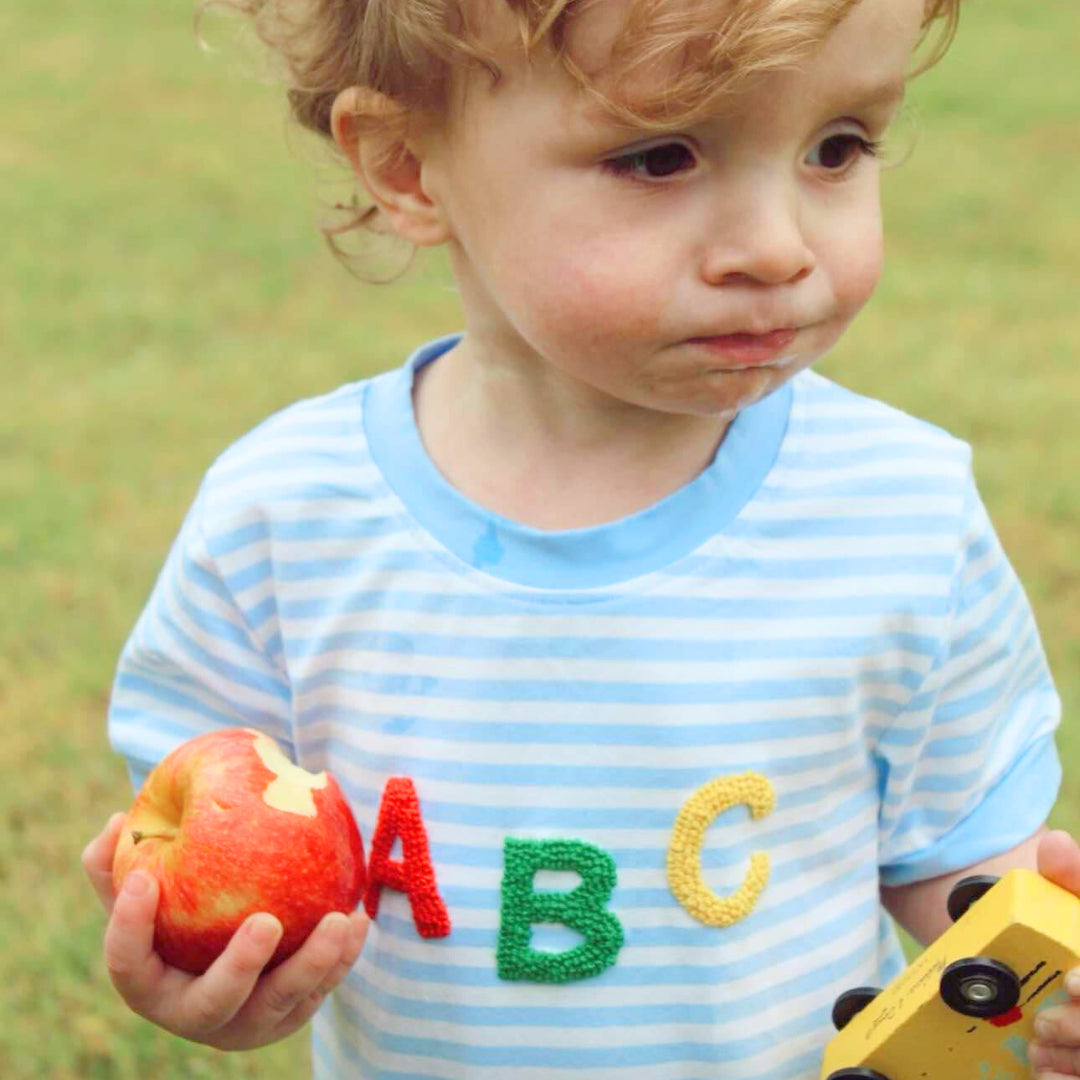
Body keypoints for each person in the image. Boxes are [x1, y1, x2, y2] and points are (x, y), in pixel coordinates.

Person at [80, 0, 1079, 1076]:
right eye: (660, 157)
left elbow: (960, 879)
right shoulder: (283, 523)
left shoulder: (898, 514)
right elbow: (217, 872)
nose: (777, 246)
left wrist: (1051, 993)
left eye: (838, 146)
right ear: (411, 165)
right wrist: (227, 980)